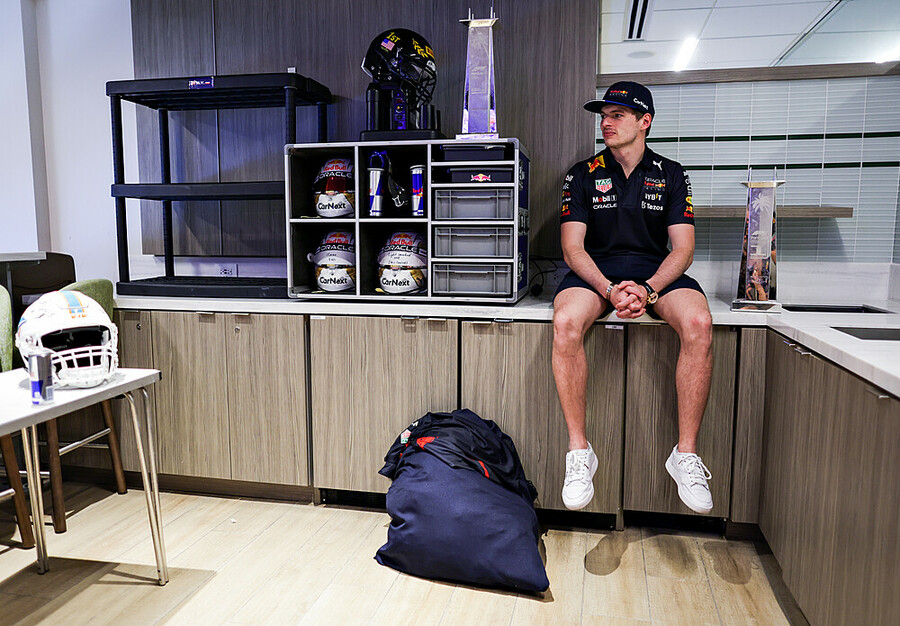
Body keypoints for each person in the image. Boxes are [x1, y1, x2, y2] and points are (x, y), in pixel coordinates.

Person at [552, 81, 714, 514]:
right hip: (595, 273)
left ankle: (685, 454)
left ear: (645, 121)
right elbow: (573, 249)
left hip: (655, 273)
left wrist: (649, 289)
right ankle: (579, 452)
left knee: (699, 323)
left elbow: (683, 250)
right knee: (565, 322)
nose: (606, 123)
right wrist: (609, 289)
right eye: (603, 116)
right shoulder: (581, 174)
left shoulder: (671, 173)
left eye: (617, 115)